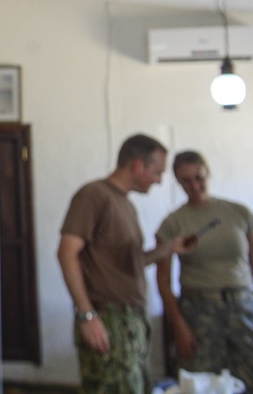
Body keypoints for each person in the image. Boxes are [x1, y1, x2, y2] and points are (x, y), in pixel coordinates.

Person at [57, 133, 193, 394]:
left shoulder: (124, 203)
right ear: (137, 165)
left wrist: (167, 249)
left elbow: (128, 262)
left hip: (132, 321)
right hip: (109, 319)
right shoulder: (94, 195)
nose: (159, 180)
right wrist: (87, 315)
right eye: (157, 172)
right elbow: (66, 253)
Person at [156, 150, 253, 393]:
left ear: (208, 173)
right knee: (205, 384)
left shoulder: (238, 213)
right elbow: (163, 281)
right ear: (178, 182)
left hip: (242, 306)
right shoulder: (173, 223)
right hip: (199, 312)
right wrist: (179, 325)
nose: (195, 185)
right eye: (187, 180)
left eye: (199, 177)